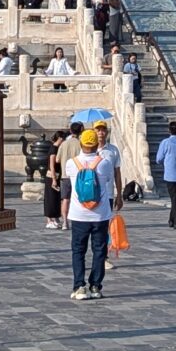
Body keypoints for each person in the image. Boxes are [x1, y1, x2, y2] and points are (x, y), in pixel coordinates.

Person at [63, 127, 119, 300]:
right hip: (100, 214)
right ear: (96, 144)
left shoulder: (71, 163)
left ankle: (79, 287)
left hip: (78, 214)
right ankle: (95, 286)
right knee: (99, 250)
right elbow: (108, 179)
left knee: (78, 250)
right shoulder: (104, 163)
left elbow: (68, 180)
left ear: (81, 144)